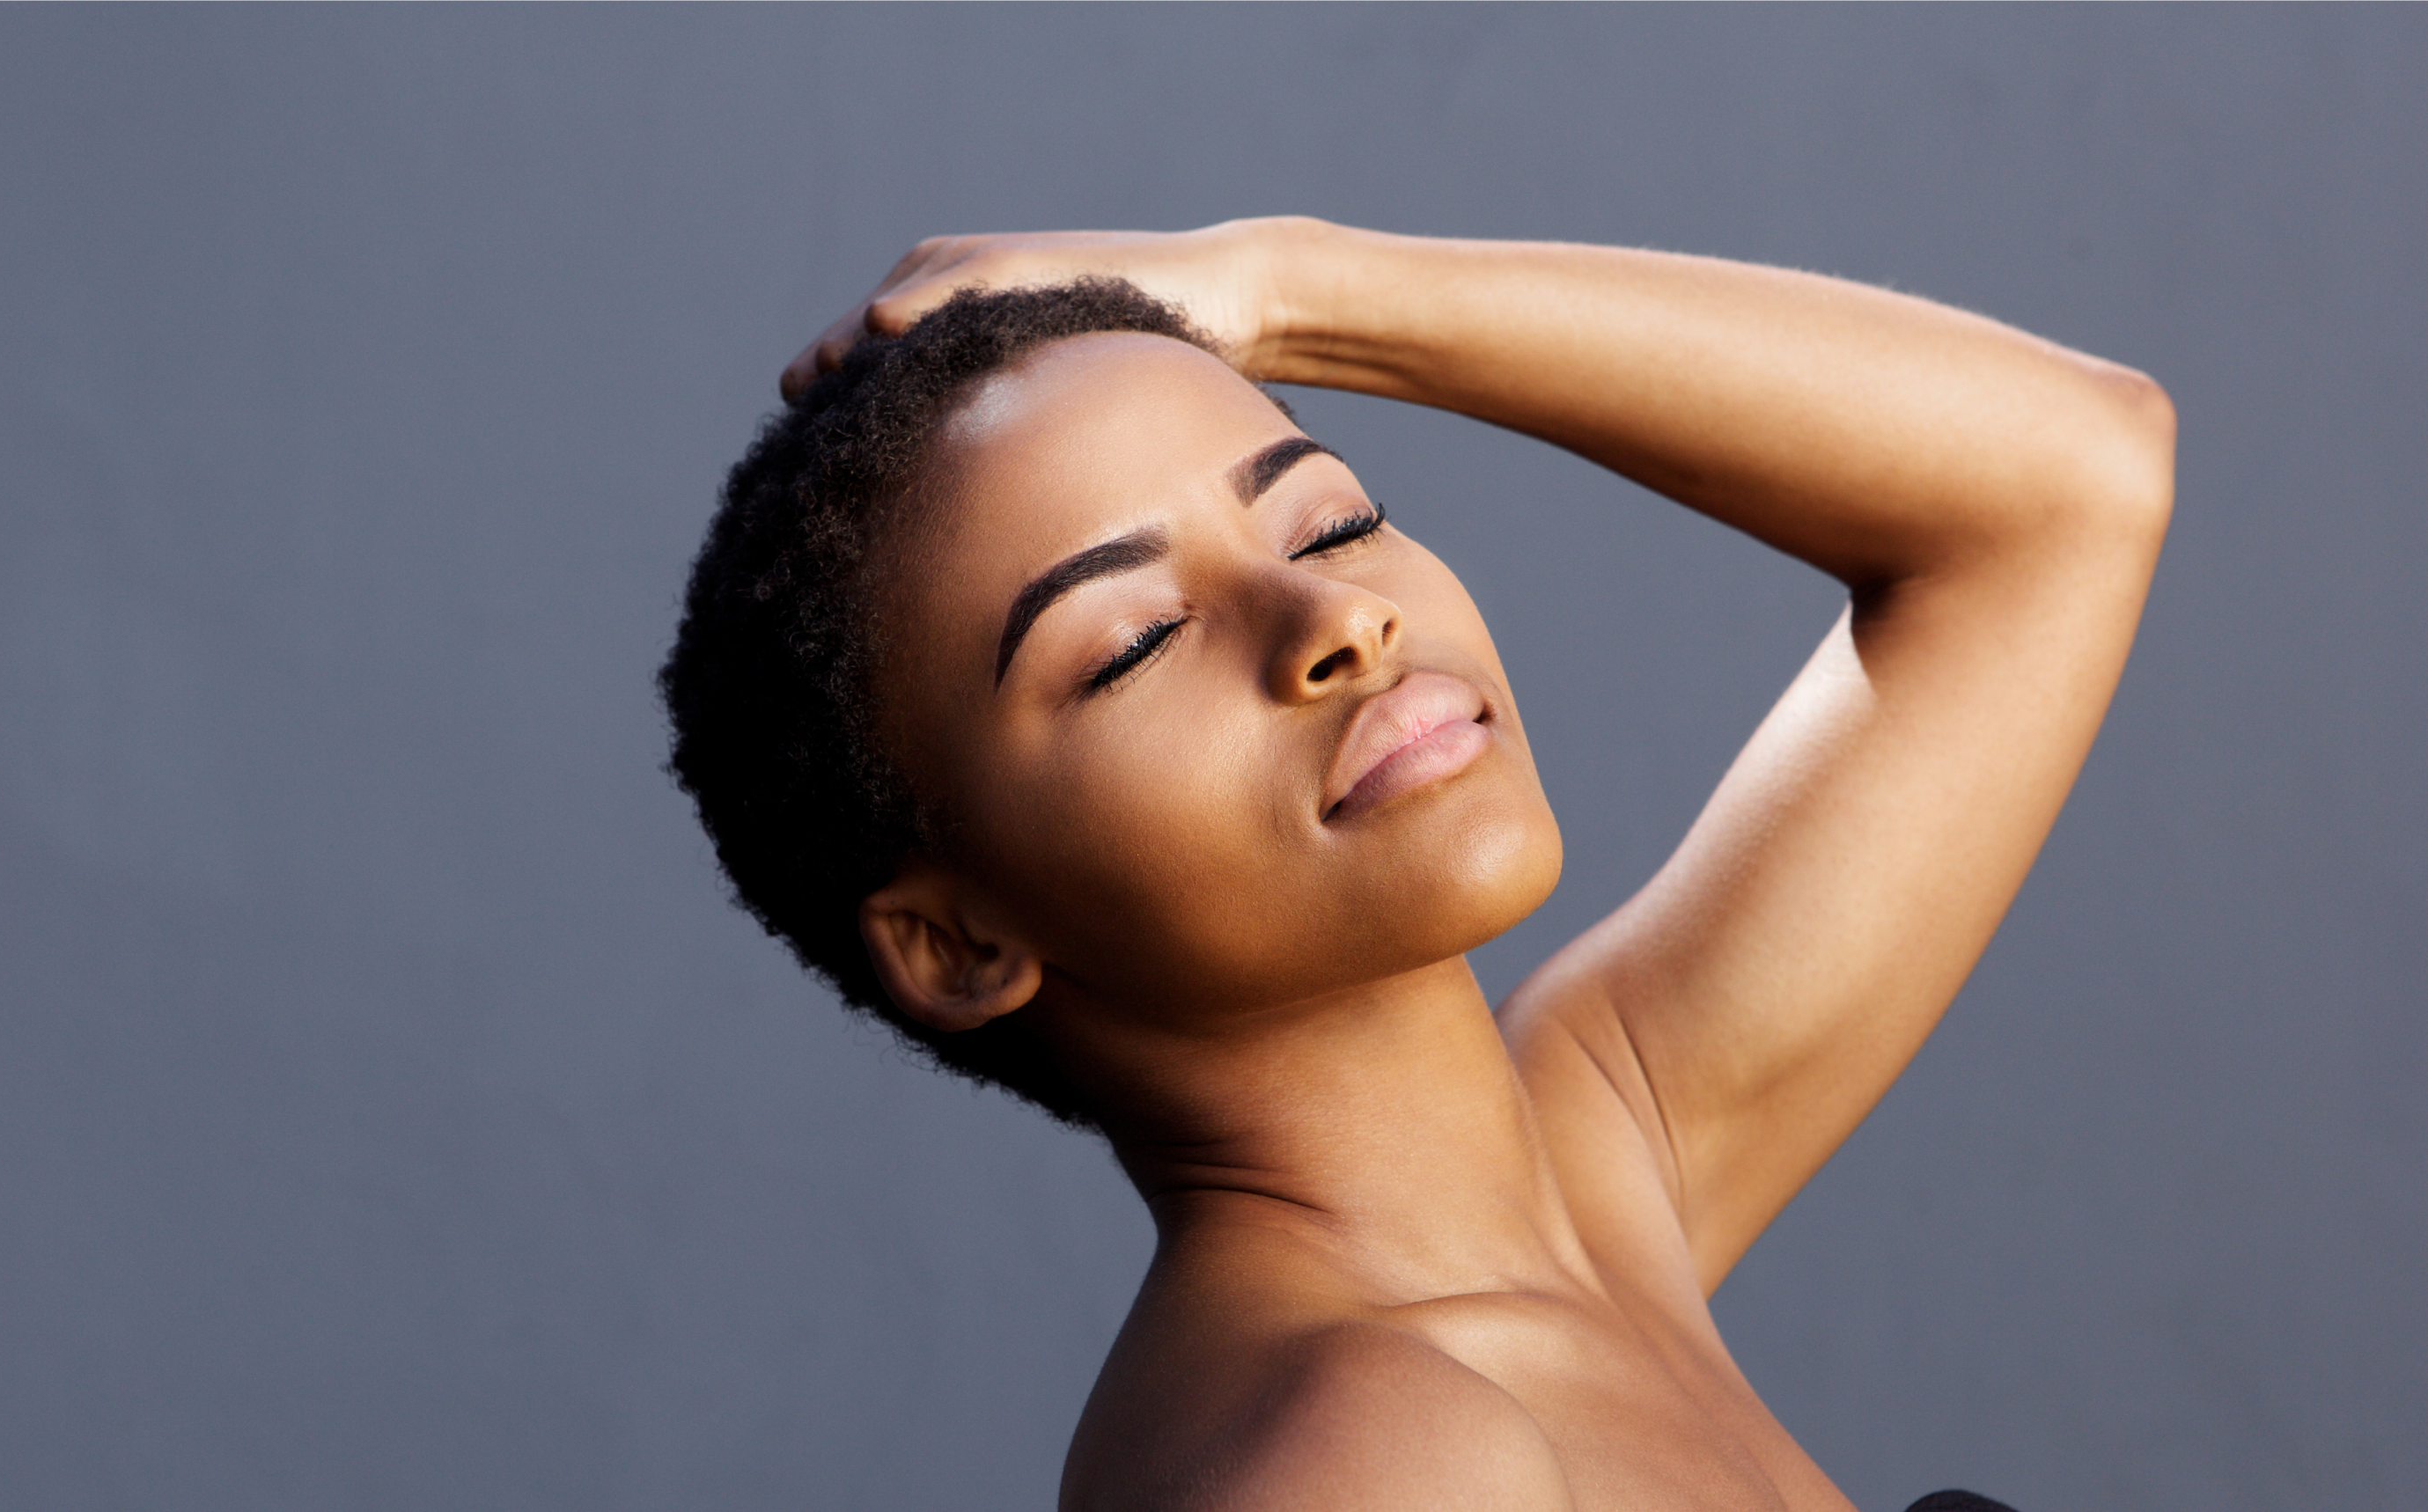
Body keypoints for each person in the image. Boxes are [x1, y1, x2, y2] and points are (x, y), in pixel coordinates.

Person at [659, 217, 2174, 1510]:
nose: (1337, 624)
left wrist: (1274, 284)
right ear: (959, 939)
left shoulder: (1596, 1182)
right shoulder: (1361, 1451)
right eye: (1131, 643)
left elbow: (2067, 480)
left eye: (1330, 522)